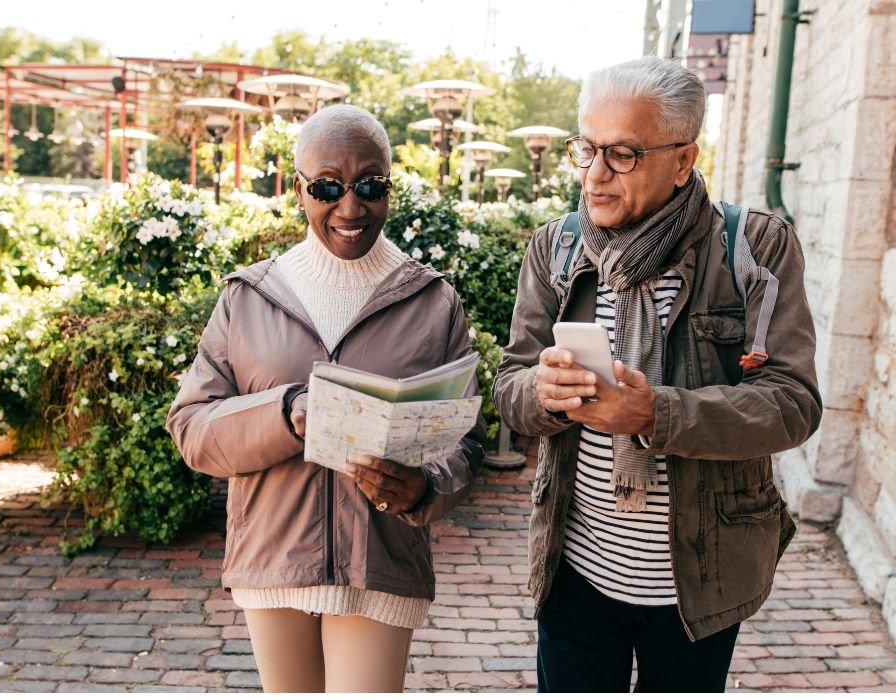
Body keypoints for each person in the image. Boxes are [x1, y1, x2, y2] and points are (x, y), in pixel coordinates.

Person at [493, 56, 821, 693]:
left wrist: (652, 414)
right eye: (585, 148)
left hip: (701, 582)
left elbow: (793, 403)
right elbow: (510, 385)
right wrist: (541, 393)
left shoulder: (754, 248)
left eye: (621, 153)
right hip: (576, 571)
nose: (594, 175)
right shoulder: (555, 249)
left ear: (682, 159)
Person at [166, 104, 485, 693]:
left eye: (370, 185)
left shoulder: (434, 302)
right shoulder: (248, 297)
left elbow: (465, 442)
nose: (351, 206)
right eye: (328, 187)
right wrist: (286, 413)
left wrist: (424, 487)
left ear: (390, 184)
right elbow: (192, 428)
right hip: (273, 560)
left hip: (381, 564)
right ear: (298, 190)